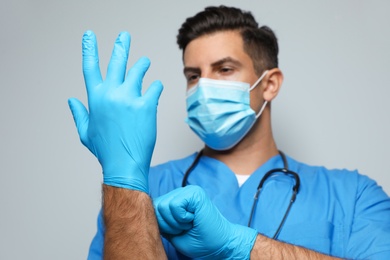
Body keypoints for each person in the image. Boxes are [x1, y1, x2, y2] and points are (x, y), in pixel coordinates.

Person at [70, 5, 390, 259]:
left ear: (269, 84)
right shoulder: (142, 189)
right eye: (193, 76)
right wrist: (122, 177)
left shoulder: (353, 195)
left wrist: (239, 246)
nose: (203, 87)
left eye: (224, 69)